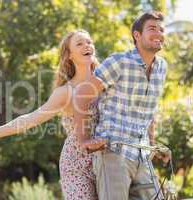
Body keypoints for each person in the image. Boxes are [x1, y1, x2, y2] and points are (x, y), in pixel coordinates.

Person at [0, 29, 104, 200]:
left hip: (106, 159)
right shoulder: (65, 92)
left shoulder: (107, 82)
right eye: (79, 43)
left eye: (89, 42)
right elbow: (31, 119)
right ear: (69, 55)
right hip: (77, 165)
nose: (86, 45)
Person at [73, 11, 168, 200]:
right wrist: (84, 139)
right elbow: (81, 96)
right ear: (137, 35)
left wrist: (153, 145)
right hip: (113, 154)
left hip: (142, 156)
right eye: (152, 29)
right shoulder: (120, 62)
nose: (158, 33)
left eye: (161, 29)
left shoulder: (162, 67)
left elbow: (149, 111)